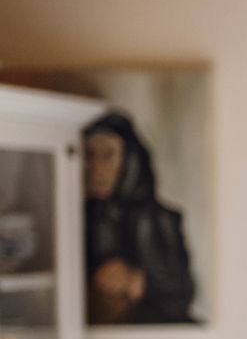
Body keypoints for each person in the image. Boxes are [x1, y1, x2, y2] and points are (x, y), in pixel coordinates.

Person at [82, 111, 195, 324]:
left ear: (129, 160)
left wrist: (134, 280)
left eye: (108, 155)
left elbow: (182, 291)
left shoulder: (159, 218)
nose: (96, 168)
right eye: (89, 155)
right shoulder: (77, 217)